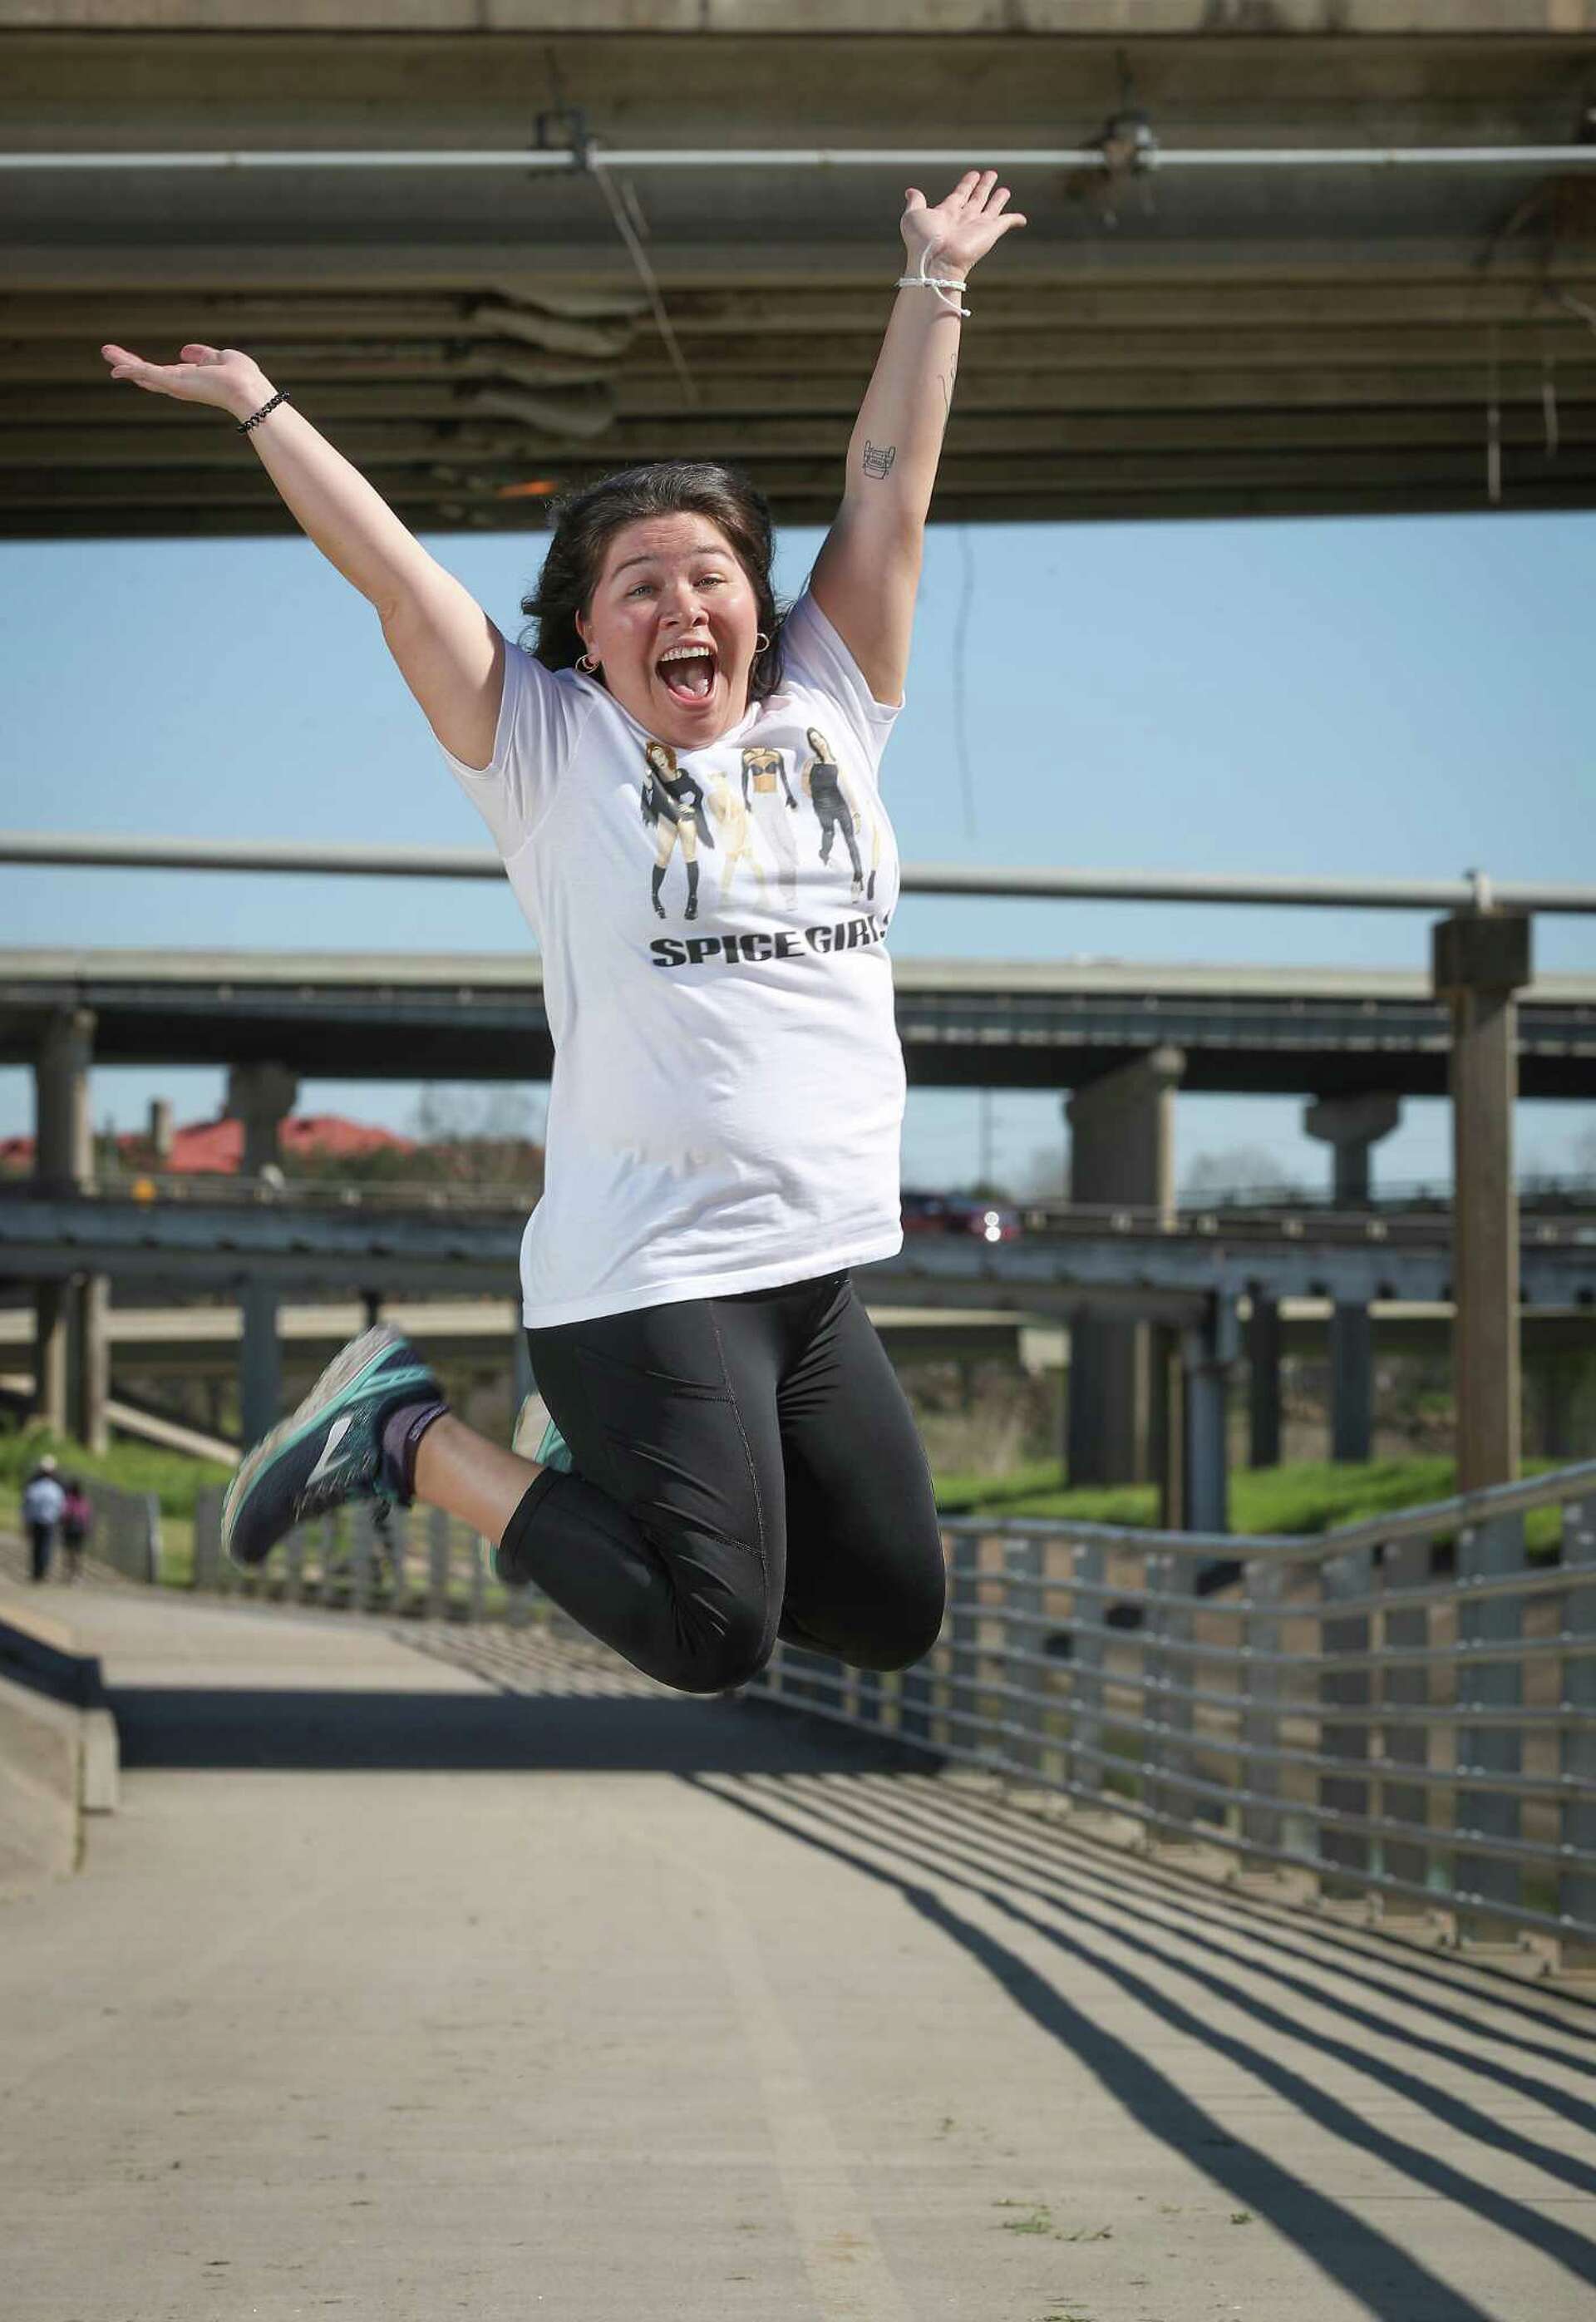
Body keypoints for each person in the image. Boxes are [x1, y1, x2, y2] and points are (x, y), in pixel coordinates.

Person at [101, 170, 1025, 1698]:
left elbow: (890, 494)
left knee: (891, 1614)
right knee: (711, 1634)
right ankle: (403, 1429)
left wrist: (934, 283)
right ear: (585, 635)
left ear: (758, 608)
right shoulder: (549, 753)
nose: (684, 601)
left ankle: (567, 1461)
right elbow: (398, 582)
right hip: (647, 1270)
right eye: (639, 583)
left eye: (713, 574)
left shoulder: (833, 707)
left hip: (810, 1268)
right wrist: (262, 408)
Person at [21, 1456, 65, 1585]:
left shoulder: (34, 1487)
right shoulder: (56, 1489)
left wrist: (26, 1521)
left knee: (37, 1547)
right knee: (45, 1547)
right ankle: (41, 1571)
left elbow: (27, 1506)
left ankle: (37, 1571)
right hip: (49, 1522)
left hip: (37, 1521)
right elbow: (61, 1507)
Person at [60, 1477, 93, 1584]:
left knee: (69, 1552)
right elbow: (87, 1516)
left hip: (70, 1528)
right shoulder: (84, 1500)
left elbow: (64, 1514)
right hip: (81, 1529)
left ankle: (68, 1574)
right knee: (78, 1553)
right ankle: (77, 1575)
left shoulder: (68, 1499)